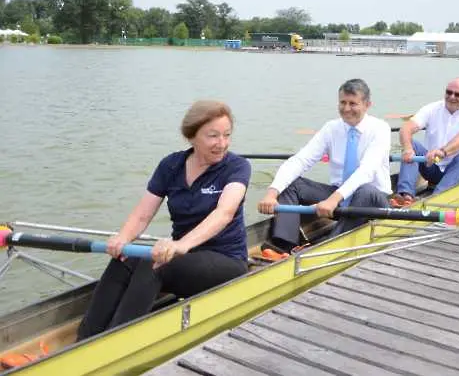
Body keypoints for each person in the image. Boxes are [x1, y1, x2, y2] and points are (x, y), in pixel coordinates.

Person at [76, 101, 251, 340]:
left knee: (154, 264)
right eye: (213, 136)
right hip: (184, 257)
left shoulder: (237, 167)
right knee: (126, 258)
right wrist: (122, 238)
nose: (222, 144)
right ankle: (86, 337)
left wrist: (180, 245)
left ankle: (117, 340)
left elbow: (224, 213)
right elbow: (142, 214)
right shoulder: (171, 165)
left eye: (226, 135)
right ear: (191, 137)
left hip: (225, 260)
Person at [257, 79, 391, 256]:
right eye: (342, 102)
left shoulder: (380, 129)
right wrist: (272, 193)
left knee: (364, 190)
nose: (346, 108)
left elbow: (366, 171)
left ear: (367, 105)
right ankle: (285, 245)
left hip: (373, 201)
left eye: (353, 103)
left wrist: (333, 199)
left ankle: (324, 250)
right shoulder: (331, 128)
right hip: (340, 200)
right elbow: (300, 160)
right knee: (292, 185)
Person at [393, 78, 459, 206]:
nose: (452, 97)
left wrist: (442, 152)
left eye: (457, 94)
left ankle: (435, 200)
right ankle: (405, 196)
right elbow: (406, 128)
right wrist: (407, 148)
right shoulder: (432, 108)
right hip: (433, 165)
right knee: (412, 144)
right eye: (449, 92)